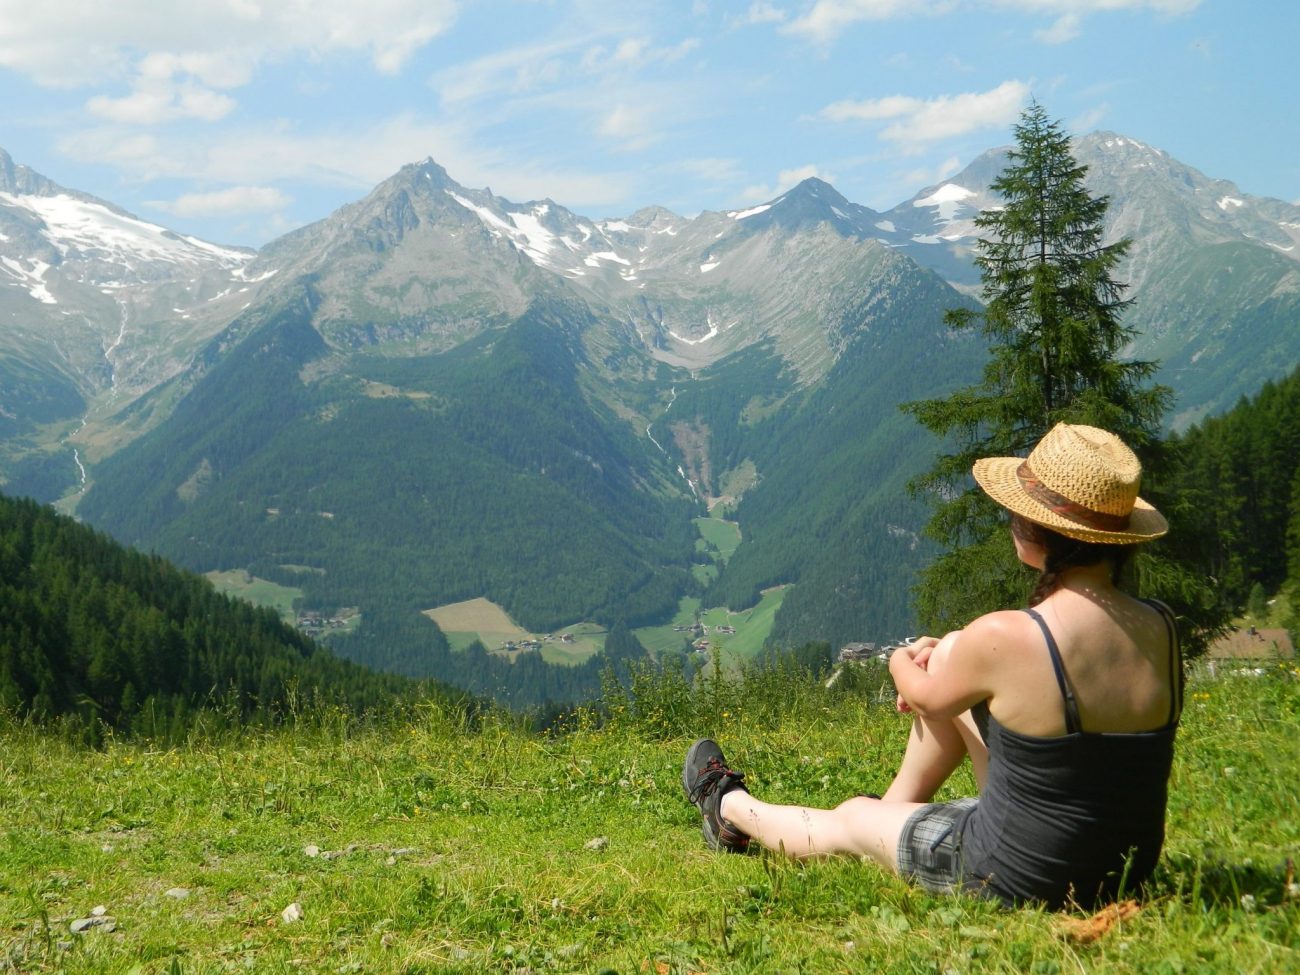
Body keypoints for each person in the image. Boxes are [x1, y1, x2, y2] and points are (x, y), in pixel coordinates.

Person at [681, 423, 1182, 909]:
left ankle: (728, 808)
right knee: (949, 653)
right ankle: (891, 816)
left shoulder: (1009, 635)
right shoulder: (1160, 625)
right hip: (1123, 870)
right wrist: (949, 655)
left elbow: (922, 698)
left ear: (1036, 530)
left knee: (852, 817)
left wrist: (901, 658)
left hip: (1017, 874)